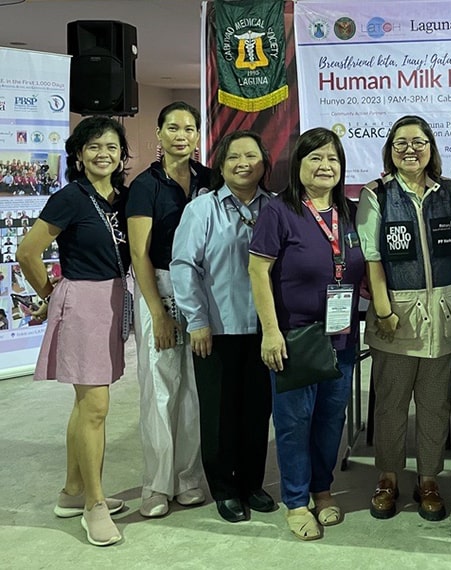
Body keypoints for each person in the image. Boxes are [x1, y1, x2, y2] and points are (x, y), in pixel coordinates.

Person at [15, 116, 131, 546]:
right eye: (95, 147)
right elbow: (28, 252)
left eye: (112, 147)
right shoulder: (70, 198)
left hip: (114, 298)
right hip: (82, 301)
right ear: (79, 156)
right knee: (96, 407)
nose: (104, 154)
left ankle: (71, 492)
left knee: (86, 406)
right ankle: (94, 505)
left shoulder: (120, 199)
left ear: (122, 155)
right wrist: (51, 292)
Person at [249, 128, 365, 540]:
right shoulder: (279, 212)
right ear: (298, 165)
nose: (325, 166)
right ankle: (296, 501)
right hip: (295, 340)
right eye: (315, 158)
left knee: (331, 421)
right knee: (295, 423)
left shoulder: (350, 212)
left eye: (332, 158)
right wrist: (270, 332)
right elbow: (258, 271)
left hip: (342, 339)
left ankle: (323, 489)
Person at [356, 115, 451, 522]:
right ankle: (387, 477)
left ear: (431, 148)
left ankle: (428, 479)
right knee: (390, 403)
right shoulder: (377, 195)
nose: (410, 150)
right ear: (390, 150)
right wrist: (383, 311)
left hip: (444, 315)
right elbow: (372, 258)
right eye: (401, 143)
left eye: (418, 142)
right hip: (396, 317)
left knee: (436, 404)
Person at [170, 131, 275, 524]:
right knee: (219, 415)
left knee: (256, 411)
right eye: (234, 156)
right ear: (221, 164)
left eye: (252, 155)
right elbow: (184, 267)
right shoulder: (202, 210)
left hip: (265, 331)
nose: (243, 163)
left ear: (264, 163)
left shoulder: (277, 208)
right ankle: (225, 489)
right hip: (216, 329)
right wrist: (196, 321)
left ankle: (252, 483)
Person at [126, 101, 209, 518]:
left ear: (198, 135)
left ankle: (189, 477)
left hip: (201, 289)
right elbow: (139, 254)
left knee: (194, 389)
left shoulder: (209, 180)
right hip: (158, 285)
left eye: (190, 128)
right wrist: (157, 312)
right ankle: (157, 485)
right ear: (158, 134)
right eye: (173, 127)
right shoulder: (145, 185)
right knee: (160, 388)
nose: (182, 135)